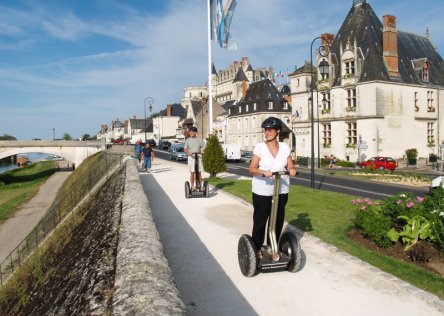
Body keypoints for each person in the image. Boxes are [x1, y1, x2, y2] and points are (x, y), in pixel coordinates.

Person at [248, 117, 297, 259]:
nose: (267, 132)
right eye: (266, 129)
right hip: (262, 190)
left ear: (278, 131)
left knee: (278, 219)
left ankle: (272, 246)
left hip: (281, 189)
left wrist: (292, 169)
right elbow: (252, 168)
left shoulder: (285, 147)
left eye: (270, 129)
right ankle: (257, 248)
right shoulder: (260, 147)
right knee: (261, 219)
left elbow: (290, 165)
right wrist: (263, 171)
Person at [184, 126, 205, 191]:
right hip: (191, 157)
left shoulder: (199, 140)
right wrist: (188, 152)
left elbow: (204, 147)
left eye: (193, 131)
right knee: (192, 172)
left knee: (199, 172)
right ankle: (192, 186)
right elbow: (185, 149)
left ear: (196, 132)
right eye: (190, 131)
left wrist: (203, 151)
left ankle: (201, 186)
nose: (191, 133)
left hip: (198, 156)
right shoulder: (188, 140)